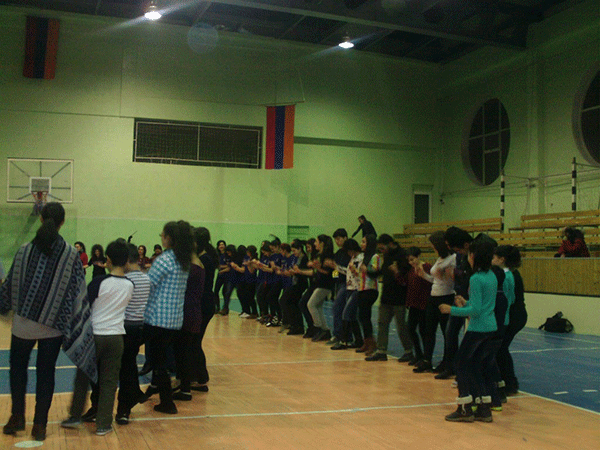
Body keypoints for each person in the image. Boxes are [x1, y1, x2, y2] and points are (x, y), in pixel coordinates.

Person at [1, 203, 96, 442]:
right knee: (46, 373)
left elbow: (12, 284)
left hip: (23, 325)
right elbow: (77, 291)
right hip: (53, 326)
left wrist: (5, 305)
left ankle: (17, 417)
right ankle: (40, 425)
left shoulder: (24, 250)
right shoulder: (71, 255)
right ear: (62, 222)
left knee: (17, 370)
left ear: (41, 219)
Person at [61, 239, 133, 436]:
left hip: (94, 335)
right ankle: (103, 424)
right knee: (109, 382)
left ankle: (75, 416)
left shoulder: (99, 282)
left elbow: (84, 304)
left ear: (107, 260)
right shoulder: (130, 285)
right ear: (126, 260)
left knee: (83, 378)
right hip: (116, 337)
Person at [439, 239, 498, 422]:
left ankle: (464, 407)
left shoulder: (476, 278)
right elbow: (482, 304)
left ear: (474, 256)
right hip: (490, 327)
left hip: (478, 329)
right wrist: (466, 303)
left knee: (461, 364)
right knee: (475, 366)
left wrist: (451, 310)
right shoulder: (491, 276)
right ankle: (483, 408)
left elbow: (476, 311)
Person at [143, 221, 194, 415]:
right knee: (161, 360)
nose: (161, 238)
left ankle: (167, 402)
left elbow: (149, 284)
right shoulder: (183, 259)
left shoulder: (164, 260)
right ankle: (159, 394)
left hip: (158, 318)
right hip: (174, 319)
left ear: (169, 238)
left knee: (159, 362)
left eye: (162, 235)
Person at [116, 243, 152, 425]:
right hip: (142, 328)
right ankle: (135, 394)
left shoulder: (125, 280)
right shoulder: (147, 278)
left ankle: (124, 408)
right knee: (128, 363)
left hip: (127, 327)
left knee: (125, 367)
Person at [413, 231, 456, 373]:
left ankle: (447, 362)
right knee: (428, 330)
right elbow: (435, 280)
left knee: (446, 332)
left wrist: (446, 275)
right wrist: (423, 275)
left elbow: (450, 281)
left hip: (446, 297)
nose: (432, 247)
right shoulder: (440, 259)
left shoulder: (452, 259)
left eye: (433, 245)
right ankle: (427, 360)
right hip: (433, 297)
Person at [366, 234, 413, 361]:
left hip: (399, 297)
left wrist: (397, 272)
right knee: (382, 323)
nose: (381, 251)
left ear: (390, 244)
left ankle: (409, 351)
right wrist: (370, 272)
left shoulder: (403, 255)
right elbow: (383, 271)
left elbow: (406, 276)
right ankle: (381, 351)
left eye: (382, 248)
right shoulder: (386, 256)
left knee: (401, 326)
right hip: (386, 296)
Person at [172, 230, 206, 401]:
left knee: (184, 351)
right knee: (186, 350)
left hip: (188, 311)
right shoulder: (197, 264)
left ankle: (185, 389)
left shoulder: (192, 268)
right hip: (193, 310)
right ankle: (184, 385)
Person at [494, 245, 527, 396]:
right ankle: (504, 381)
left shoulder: (510, 275)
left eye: (494, 257)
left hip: (514, 316)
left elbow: (509, 300)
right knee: (500, 348)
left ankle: (510, 383)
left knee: (501, 348)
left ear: (502, 259)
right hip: (512, 314)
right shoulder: (508, 273)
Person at [355, 234, 382, 355]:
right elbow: (361, 273)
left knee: (365, 317)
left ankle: (372, 343)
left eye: (364, 242)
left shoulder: (375, 256)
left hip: (370, 289)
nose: (361, 244)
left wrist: (367, 269)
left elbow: (375, 272)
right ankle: (366, 341)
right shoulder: (363, 256)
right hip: (361, 288)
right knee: (362, 317)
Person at [405, 247, 432, 365]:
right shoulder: (411, 270)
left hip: (424, 303)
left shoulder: (427, 267)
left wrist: (423, 275)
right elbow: (410, 286)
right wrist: (408, 301)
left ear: (418, 257)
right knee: (410, 328)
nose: (411, 262)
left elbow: (432, 282)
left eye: (412, 259)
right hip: (414, 304)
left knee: (423, 330)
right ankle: (418, 354)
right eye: (409, 261)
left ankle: (426, 357)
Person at [307, 235, 335, 342]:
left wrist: (318, 267)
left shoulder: (328, 256)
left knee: (311, 304)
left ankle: (318, 327)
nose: (315, 244)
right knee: (318, 306)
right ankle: (325, 330)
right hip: (320, 284)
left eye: (317, 241)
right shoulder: (319, 255)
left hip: (325, 284)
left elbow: (329, 273)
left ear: (322, 243)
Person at [328, 228, 350, 346]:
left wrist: (336, 268)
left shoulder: (349, 253)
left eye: (339, 239)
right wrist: (334, 280)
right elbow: (335, 270)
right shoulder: (338, 253)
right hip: (340, 283)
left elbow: (345, 269)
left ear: (345, 238)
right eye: (335, 240)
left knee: (338, 308)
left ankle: (340, 335)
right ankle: (339, 334)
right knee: (338, 309)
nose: (337, 241)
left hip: (348, 283)